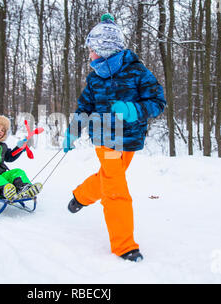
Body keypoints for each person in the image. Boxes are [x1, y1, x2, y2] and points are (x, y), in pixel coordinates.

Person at [64, 14, 166, 262]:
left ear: (104, 50)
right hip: (104, 140)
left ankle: (81, 195)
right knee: (115, 188)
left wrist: (135, 111)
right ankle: (124, 245)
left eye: (91, 50)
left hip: (129, 139)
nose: (89, 56)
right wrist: (73, 130)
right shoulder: (95, 78)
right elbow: (84, 107)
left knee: (109, 178)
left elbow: (158, 102)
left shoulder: (138, 72)